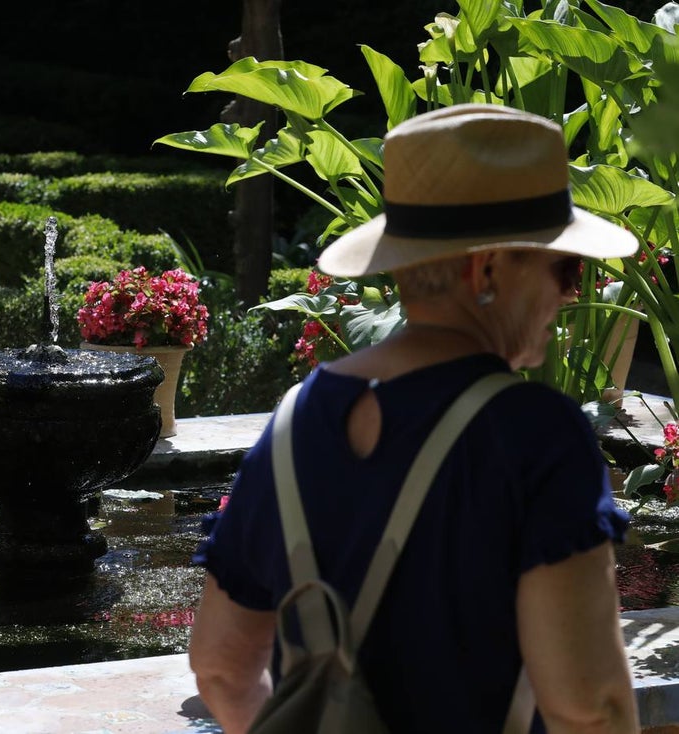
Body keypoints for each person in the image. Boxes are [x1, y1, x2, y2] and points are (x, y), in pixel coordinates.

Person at [190, 104, 640, 733]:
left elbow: (220, 668)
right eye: (565, 268)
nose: (572, 294)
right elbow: (590, 708)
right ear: (486, 270)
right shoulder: (535, 434)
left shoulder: (296, 421)